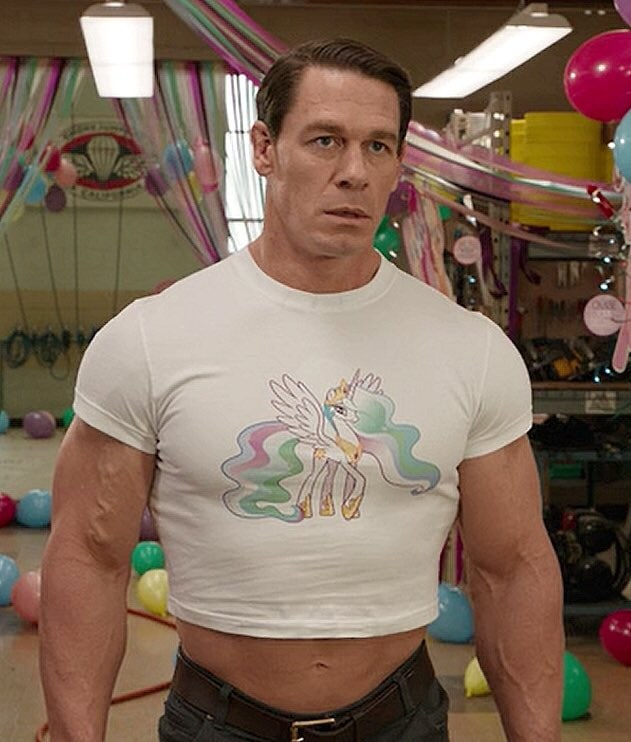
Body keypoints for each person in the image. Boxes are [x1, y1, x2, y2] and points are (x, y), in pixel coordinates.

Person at [39, 38, 564, 742]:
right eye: (325, 141)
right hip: (218, 724)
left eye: (377, 146)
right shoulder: (150, 339)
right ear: (264, 148)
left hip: (400, 721)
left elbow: (513, 569)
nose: (354, 172)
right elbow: (88, 557)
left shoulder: (469, 348)